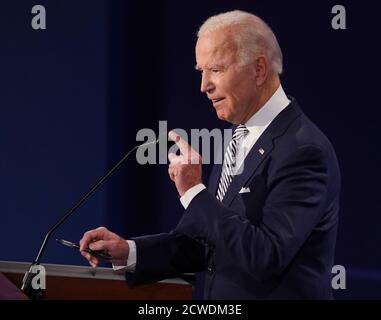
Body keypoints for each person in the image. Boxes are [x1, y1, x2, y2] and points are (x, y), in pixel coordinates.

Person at [80, 10, 340, 299]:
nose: (204, 86)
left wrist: (193, 192)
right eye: (201, 71)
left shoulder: (303, 150)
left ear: (259, 69)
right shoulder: (240, 137)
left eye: (216, 69)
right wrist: (129, 252)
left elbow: (267, 255)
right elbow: (212, 243)